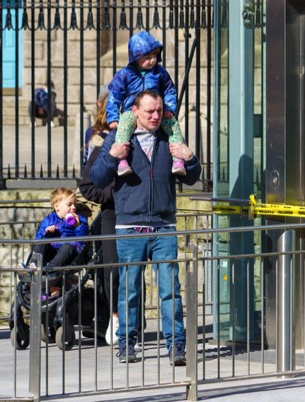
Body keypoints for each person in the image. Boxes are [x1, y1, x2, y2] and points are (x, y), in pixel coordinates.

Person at [90, 90, 200, 366]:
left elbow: (193, 178)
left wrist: (190, 157)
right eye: (149, 111)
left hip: (164, 225)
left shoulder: (169, 137)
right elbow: (96, 179)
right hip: (130, 225)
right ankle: (126, 342)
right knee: (130, 289)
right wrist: (112, 157)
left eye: (159, 110)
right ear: (135, 111)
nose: (155, 116)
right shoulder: (119, 138)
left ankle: (176, 345)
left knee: (169, 290)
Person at [106, 30, 187, 177]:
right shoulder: (124, 74)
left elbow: (169, 90)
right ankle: (122, 161)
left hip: (156, 110)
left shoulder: (160, 72)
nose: (153, 60)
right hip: (132, 111)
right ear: (136, 57)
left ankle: (178, 160)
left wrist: (169, 108)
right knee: (124, 126)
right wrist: (112, 117)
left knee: (173, 126)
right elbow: (114, 96)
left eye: (155, 56)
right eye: (148, 57)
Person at [78, 91, 120, 345]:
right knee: (107, 267)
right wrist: (111, 195)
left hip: (129, 214)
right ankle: (108, 317)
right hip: (110, 211)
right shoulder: (99, 142)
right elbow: (88, 183)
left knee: (127, 268)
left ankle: (125, 318)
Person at [33, 187, 89, 299]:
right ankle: (34, 266)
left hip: (69, 252)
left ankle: (49, 272)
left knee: (67, 246)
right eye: (69, 204)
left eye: (75, 204)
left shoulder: (81, 220)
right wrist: (47, 232)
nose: (73, 207)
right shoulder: (49, 219)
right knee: (40, 243)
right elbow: (38, 237)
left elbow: (83, 240)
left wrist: (78, 227)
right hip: (52, 250)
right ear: (57, 206)